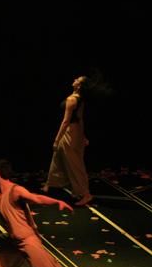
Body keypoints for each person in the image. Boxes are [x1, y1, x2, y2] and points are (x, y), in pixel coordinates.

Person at [43, 72, 111, 206]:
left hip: (70, 133)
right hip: (75, 132)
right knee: (58, 157)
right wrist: (83, 136)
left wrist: (57, 139)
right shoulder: (79, 98)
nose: (74, 79)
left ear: (79, 86)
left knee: (74, 164)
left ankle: (85, 194)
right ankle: (50, 184)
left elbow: (66, 121)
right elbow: (80, 119)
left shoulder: (72, 99)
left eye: (77, 80)